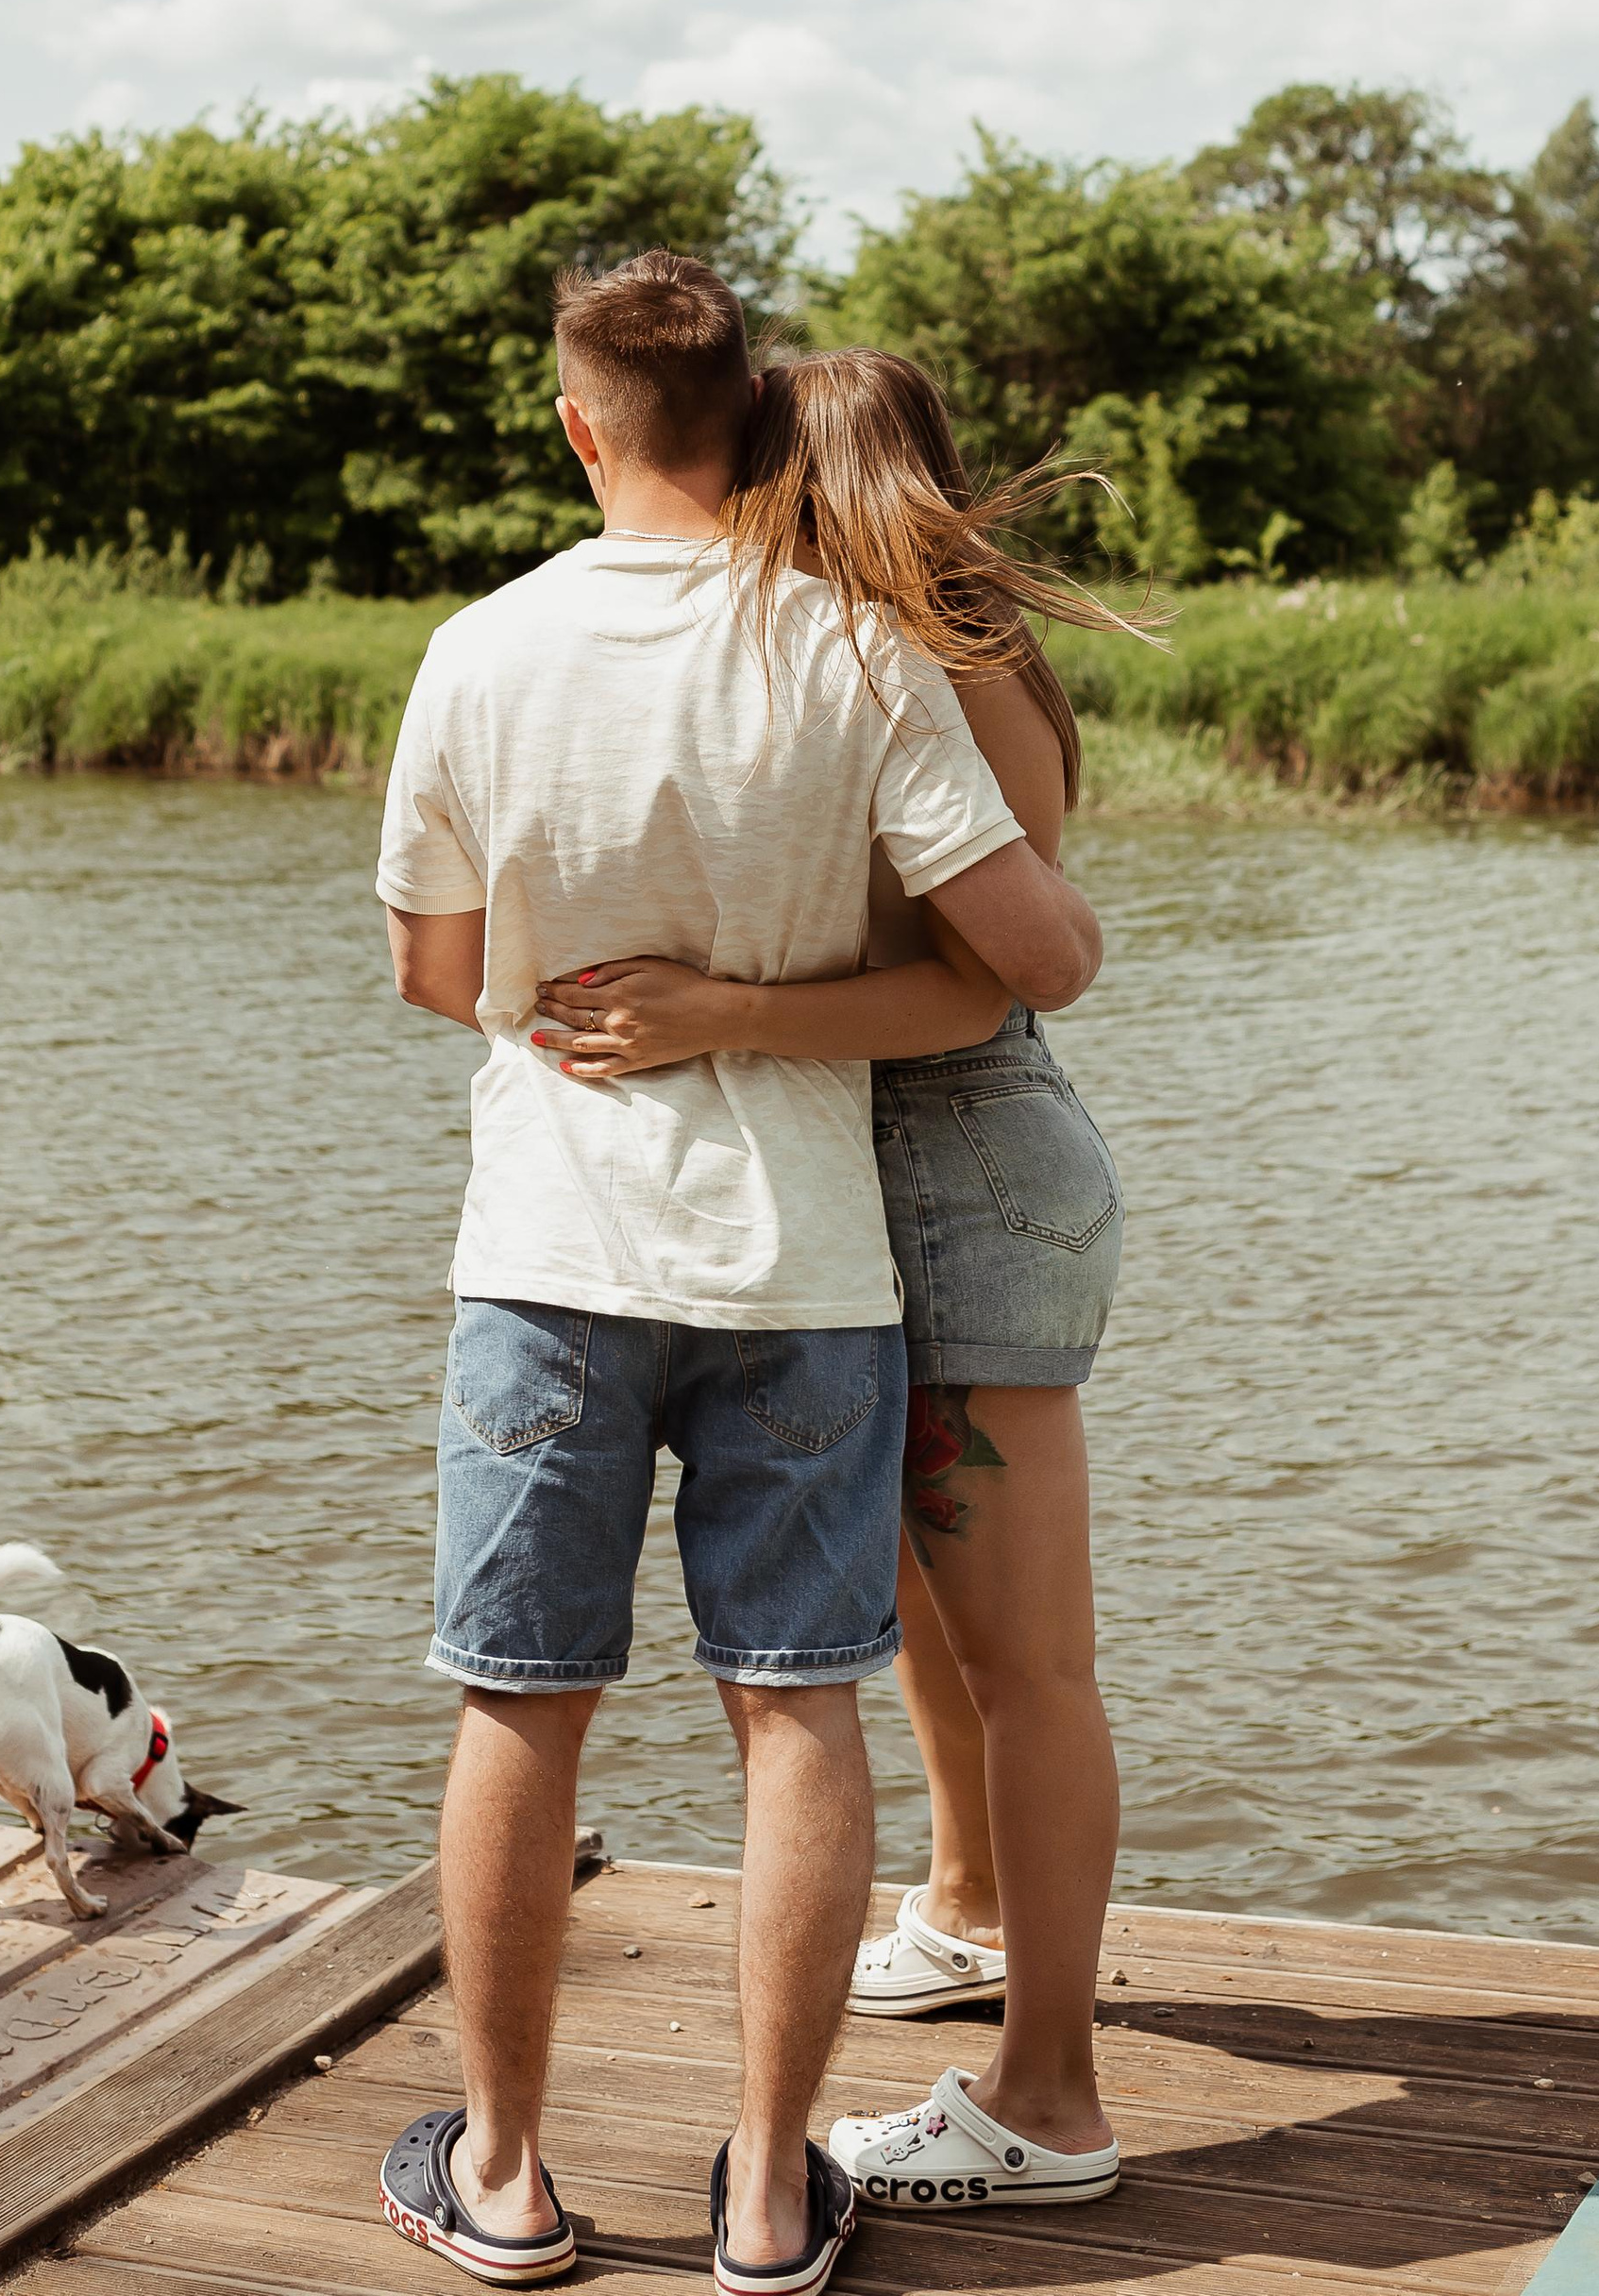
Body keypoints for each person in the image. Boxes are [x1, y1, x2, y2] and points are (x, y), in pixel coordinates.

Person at [375, 257, 1104, 2296]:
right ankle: (771, 2199)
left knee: (520, 1708)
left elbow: (437, 974)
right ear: (751, 421)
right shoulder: (858, 655)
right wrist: (752, 1002)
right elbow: (1036, 960)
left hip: (548, 1252)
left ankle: (504, 2178)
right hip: (803, 1263)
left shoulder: (478, 651)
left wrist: (598, 999)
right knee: (797, 1716)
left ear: (577, 426)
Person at [530, 348, 1131, 2216]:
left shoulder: (930, 672)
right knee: (927, 1609)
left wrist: (712, 1010)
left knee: (1028, 1660)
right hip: (895, 1189)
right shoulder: (878, 653)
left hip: (960, 1169)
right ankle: (959, 1908)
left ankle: (1046, 2098)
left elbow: (1003, 976)